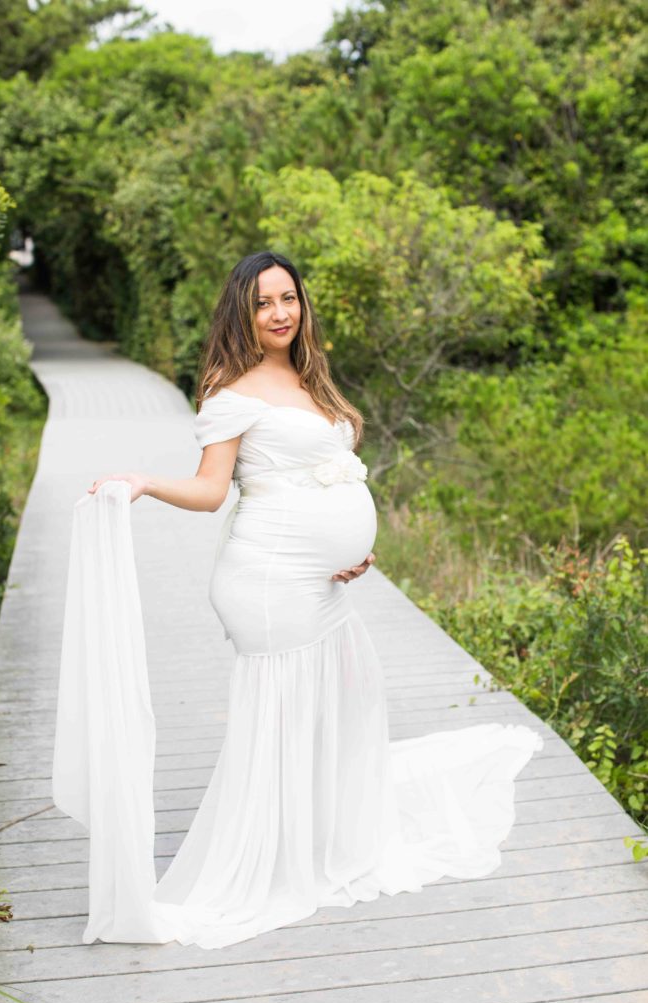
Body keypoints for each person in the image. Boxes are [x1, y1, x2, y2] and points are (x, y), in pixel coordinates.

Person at [78, 250, 544, 950]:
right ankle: (274, 856)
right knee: (287, 717)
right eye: (263, 302)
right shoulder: (230, 389)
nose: (278, 313)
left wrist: (350, 545)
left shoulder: (306, 375)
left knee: (342, 702)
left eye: (288, 298)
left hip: (322, 582)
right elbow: (211, 493)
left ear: (301, 304)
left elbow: (324, 476)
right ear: (242, 310)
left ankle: (312, 840)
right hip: (267, 582)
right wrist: (143, 481)